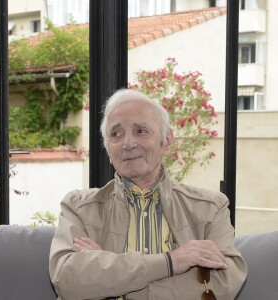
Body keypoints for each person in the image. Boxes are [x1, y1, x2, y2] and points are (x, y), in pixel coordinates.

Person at [49, 89, 247, 300]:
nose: (128, 143)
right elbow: (67, 280)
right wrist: (171, 262)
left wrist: (111, 279)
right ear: (108, 149)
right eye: (115, 134)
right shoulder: (78, 208)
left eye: (141, 131)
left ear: (167, 140)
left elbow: (223, 285)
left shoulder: (210, 208)